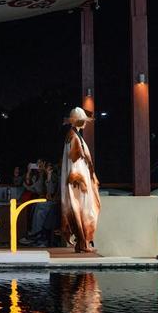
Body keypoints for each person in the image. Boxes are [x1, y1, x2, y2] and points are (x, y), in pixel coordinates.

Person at [60, 107, 100, 253]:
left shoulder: (73, 135)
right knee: (82, 209)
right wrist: (80, 180)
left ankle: (82, 242)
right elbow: (74, 162)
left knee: (80, 209)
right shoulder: (74, 137)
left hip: (77, 179)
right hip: (77, 181)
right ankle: (83, 243)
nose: (85, 123)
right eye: (83, 120)